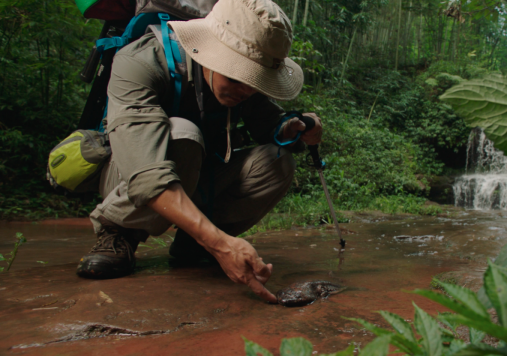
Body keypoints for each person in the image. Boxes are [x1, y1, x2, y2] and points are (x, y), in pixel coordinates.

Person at [75, 0, 322, 304]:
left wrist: (292, 128)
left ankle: (194, 245)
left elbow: (269, 123)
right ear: (209, 50)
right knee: (183, 133)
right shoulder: (140, 61)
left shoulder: (244, 87)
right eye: (236, 76)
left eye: (254, 82)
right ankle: (119, 235)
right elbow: (147, 174)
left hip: (198, 173)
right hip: (130, 176)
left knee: (276, 161)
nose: (244, 89)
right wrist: (220, 244)